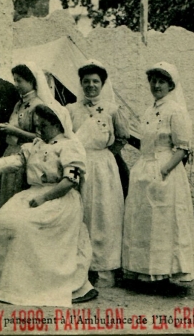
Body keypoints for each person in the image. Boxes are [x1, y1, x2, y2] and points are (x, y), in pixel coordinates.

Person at [0, 102, 98, 307]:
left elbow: (70, 181)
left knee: (26, 225)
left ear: (57, 124)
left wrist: (44, 198)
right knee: (3, 221)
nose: (39, 130)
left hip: (59, 198)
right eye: (37, 126)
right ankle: (14, 284)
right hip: (32, 195)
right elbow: (10, 163)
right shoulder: (35, 145)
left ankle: (42, 284)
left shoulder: (70, 146)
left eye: (43, 126)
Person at [121, 62, 194, 290]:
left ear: (170, 85)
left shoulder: (175, 111)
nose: (156, 85)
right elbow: (146, 143)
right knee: (145, 222)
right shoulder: (149, 111)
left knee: (163, 223)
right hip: (144, 170)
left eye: (161, 81)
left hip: (165, 171)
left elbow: (183, 148)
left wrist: (164, 170)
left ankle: (164, 274)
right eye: (153, 81)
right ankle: (145, 273)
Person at [67, 60, 129, 288]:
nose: (91, 85)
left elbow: (122, 137)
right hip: (80, 165)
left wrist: (105, 156)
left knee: (105, 215)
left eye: (95, 81)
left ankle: (105, 269)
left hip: (104, 167)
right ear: (81, 84)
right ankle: (81, 269)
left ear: (102, 84)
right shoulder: (71, 109)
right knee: (82, 213)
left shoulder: (112, 109)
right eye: (87, 81)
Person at [0, 62, 51, 216]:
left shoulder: (38, 106)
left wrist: (14, 131)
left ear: (32, 81)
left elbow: (41, 137)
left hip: (27, 158)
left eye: (20, 81)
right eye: (14, 80)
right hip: (11, 153)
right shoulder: (19, 104)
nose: (16, 85)